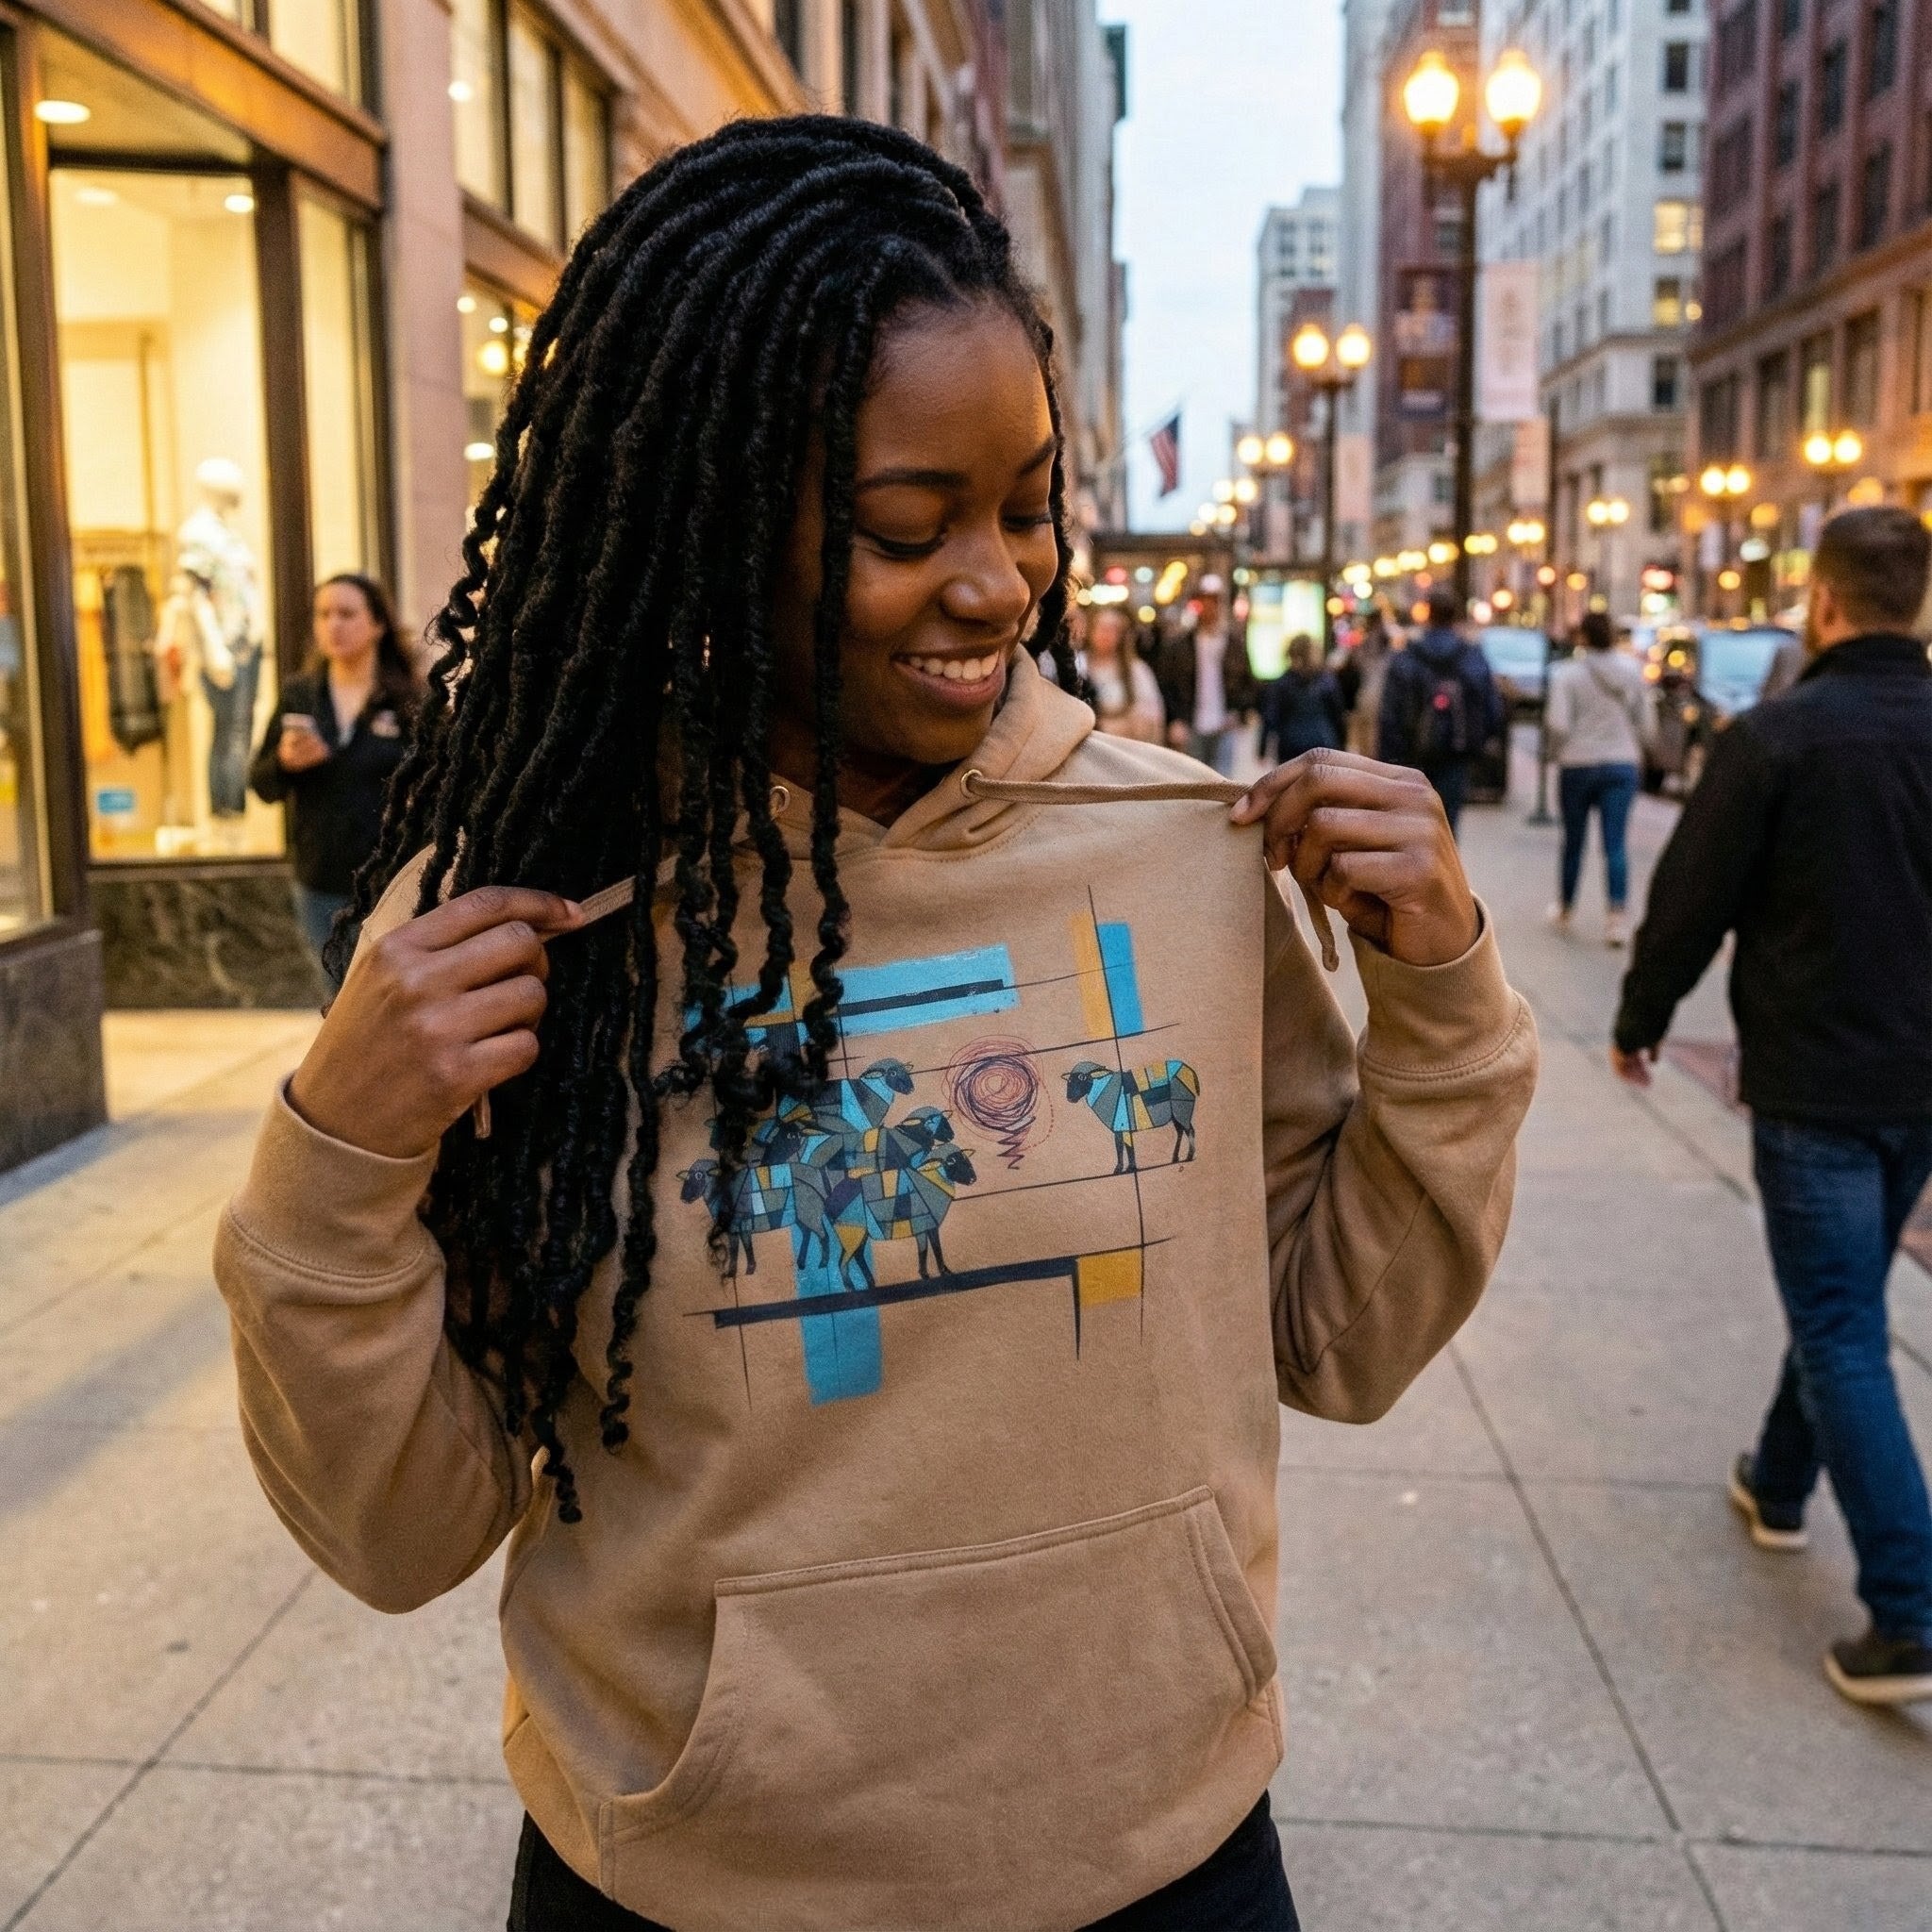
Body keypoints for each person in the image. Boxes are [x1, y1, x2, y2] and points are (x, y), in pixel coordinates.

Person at [211, 118, 1539, 1932]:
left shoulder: (1188, 851)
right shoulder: (521, 908)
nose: (994, 583)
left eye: (1025, 507)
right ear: (704, 522)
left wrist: (1442, 992)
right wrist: (339, 1153)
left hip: (1160, 1860)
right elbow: (397, 1527)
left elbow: (1348, 1332)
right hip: (689, 1883)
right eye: (905, 528)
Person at [1612, 506, 1932, 1707]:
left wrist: (1638, 1016)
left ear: (1822, 599)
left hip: (1814, 1080)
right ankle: (1777, 1481)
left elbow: (1691, 894)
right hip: (1918, 1083)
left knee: (1841, 1318)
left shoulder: (1778, 737)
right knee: (1840, 1297)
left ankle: (1907, 1607)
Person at [249, 575, 420, 976]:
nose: (333, 625)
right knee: (339, 998)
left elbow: (441, 781)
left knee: (388, 991)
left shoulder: (407, 699)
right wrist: (286, 762)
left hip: (391, 877)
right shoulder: (301, 695)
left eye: (347, 614)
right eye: (323, 614)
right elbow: (261, 783)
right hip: (320, 878)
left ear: (378, 624)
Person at [1544, 611, 1655, 947]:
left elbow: (1559, 723)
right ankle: (1616, 919)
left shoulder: (1566, 674)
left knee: (1574, 841)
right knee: (1616, 843)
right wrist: (1638, 748)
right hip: (1621, 763)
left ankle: (1565, 907)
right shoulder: (1632, 671)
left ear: (1583, 638)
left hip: (1577, 764)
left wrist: (1559, 750)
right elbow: (1646, 721)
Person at [1375, 586, 1502, 835]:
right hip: (1456, 752)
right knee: (1447, 822)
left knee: (1412, 824)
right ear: (1455, 616)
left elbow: (1389, 713)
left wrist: (1388, 757)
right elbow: (1491, 707)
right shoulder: (1472, 656)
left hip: (1412, 755)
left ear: (1428, 614)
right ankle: (1443, 870)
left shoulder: (1407, 657)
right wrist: (1478, 743)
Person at [1158, 573, 1256, 774]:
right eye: (1206, 601)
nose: (1211, 608)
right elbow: (1167, 684)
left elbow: (1247, 681)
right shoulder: (1180, 645)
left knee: (1222, 780)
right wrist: (1175, 719)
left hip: (1224, 723)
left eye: (1215, 602)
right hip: (1192, 722)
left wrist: (1239, 711)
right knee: (1195, 778)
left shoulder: (1234, 644)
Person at [1258, 632, 1346, 763]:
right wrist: (1343, 744)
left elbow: (1270, 717)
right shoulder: (1327, 681)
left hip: (1290, 745)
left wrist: (1262, 748)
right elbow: (1338, 716)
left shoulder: (1282, 684)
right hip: (1324, 743)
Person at [1086, 602, 1165, 741]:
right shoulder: (1078, 665)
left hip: (1123, 744)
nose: (1106, 635)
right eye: (1102, 628)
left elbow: (1151, 716)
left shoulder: (1137, 671)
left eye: (1112, 629)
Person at [1335, 608, 1392, 758]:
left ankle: (1368, 761)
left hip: (1368, 691)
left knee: (1367, 732)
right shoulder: (1385, 640)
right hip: (1379, 692)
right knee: (1373, 732)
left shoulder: (1371, 640)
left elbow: (1354, 662)